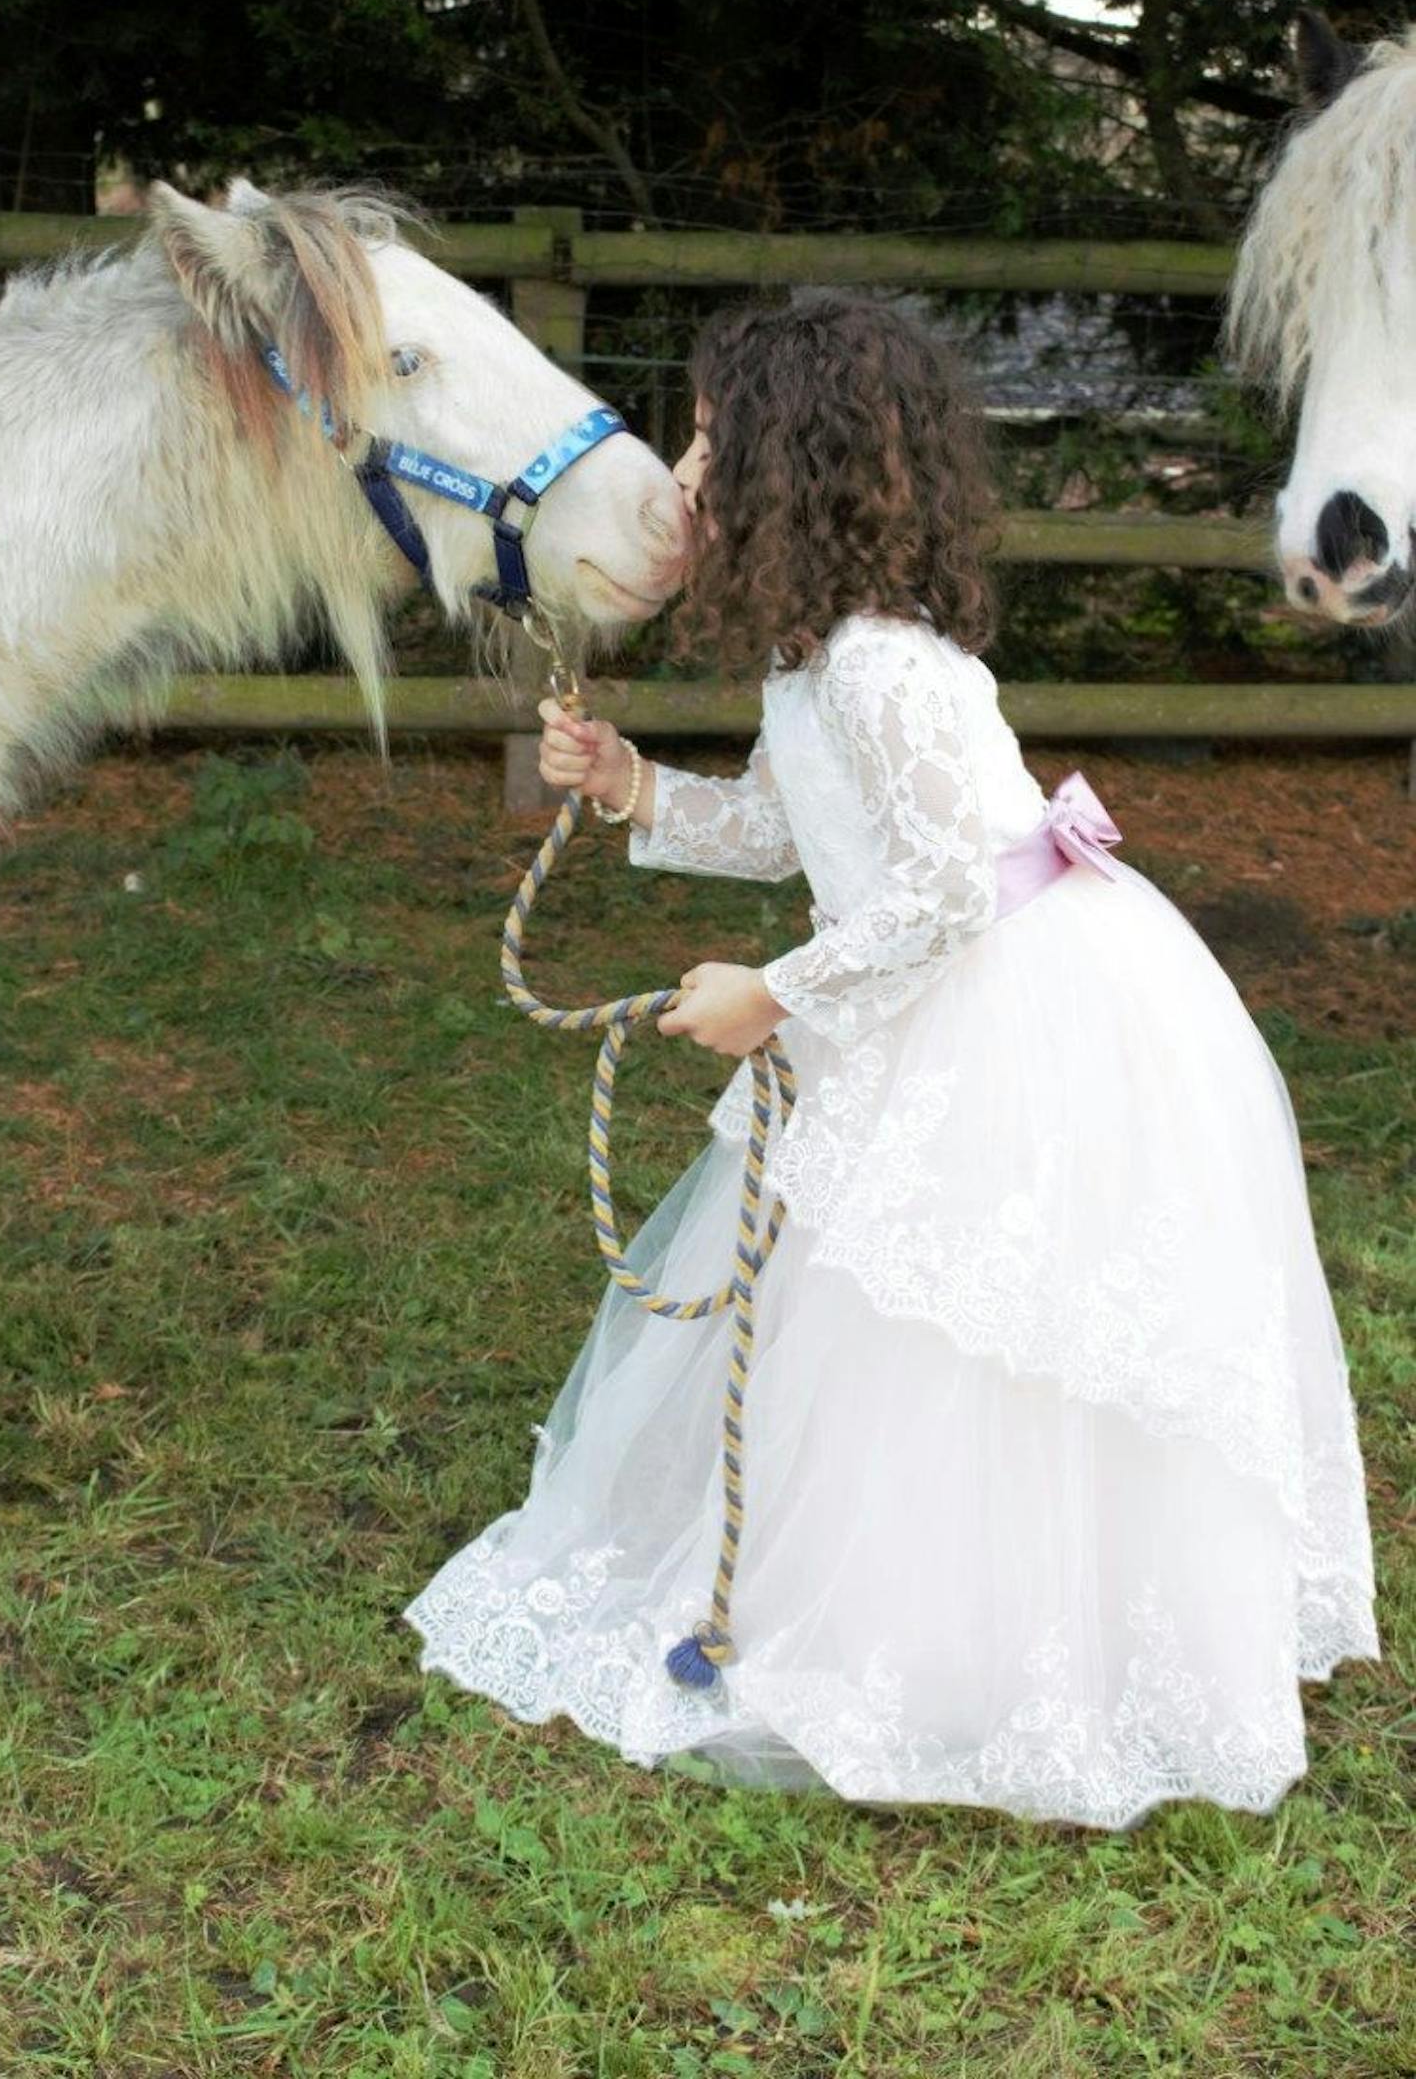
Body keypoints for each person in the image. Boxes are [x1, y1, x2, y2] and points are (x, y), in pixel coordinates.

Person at [405, 292, 1378, 1828]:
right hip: (924, 985)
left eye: (716, 436)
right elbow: (797, 835)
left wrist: (776, 993)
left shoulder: (879, 664)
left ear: (791, 463)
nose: (687, 464)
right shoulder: (815, 665)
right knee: (870, 1321)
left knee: (967, 1328)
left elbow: (938, 892)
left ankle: (995, 1638)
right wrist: (641, 788)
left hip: (1010, 1006)